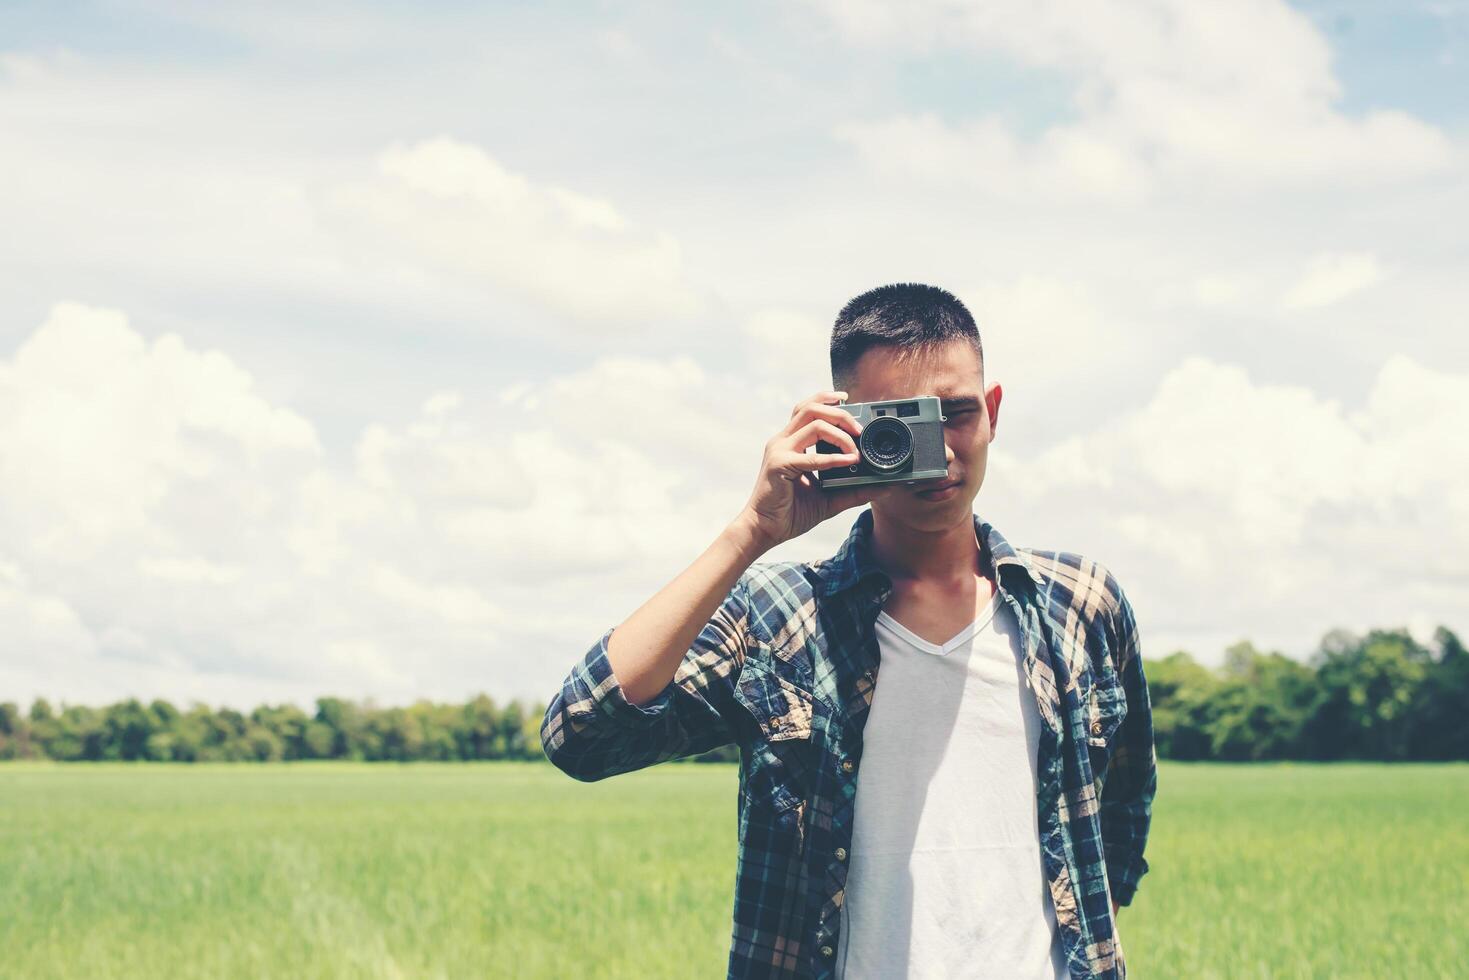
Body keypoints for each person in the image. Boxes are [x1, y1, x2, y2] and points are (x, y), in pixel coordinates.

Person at [541, 283, 1156, 979]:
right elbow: (581, 736)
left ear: (991, 414)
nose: (938, 452)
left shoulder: (1081, 604)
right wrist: (751, 532)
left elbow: (1118, 825)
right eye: (897, 426)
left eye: (953, 414)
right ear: (842, 429)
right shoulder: (777, 617)